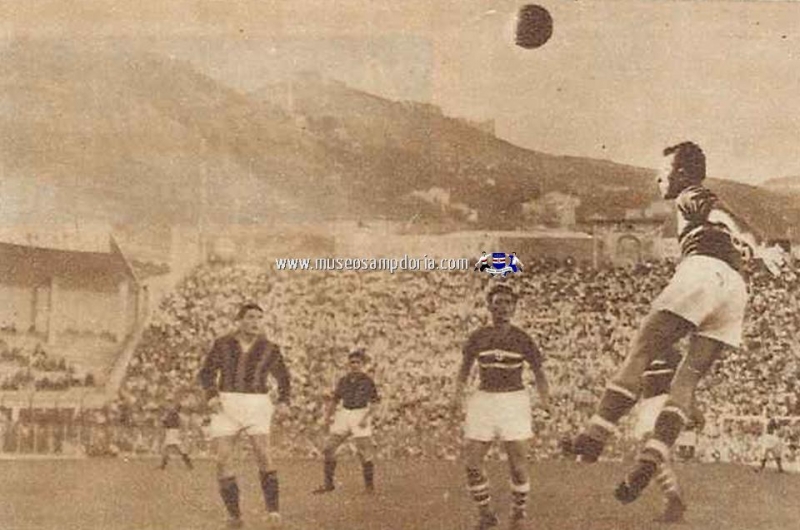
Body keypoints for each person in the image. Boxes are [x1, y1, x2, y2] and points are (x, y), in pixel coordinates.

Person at [562, 141, 786, 505]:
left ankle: (594, 435)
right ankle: (652, 456)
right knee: (688, 378)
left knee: (641, 351)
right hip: (736, 290)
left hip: (704, 270)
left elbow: (723, 214)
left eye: (662, 172)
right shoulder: (698, 209)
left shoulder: (690, 194)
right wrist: (756, 250)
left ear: (680, 173)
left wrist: (761, 243)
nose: (657, 178)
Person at [453, 283, 551, 530]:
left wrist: (545, 400)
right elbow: (464, 370)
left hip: (513, 401)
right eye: (498, 302)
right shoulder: (478, 337)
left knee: (517, 466)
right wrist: (456, 396)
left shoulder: (522, 338)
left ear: (514, 307)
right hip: (484, 400)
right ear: (489, 306)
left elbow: (539, 372)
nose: (503, 307)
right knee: (472, 463)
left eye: (508, 303)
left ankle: (519, 515)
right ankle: (485, 514)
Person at [198, 302, 291, 528]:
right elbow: (206, 373)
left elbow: (283, 377)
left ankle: (273, 511)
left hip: (256, 403)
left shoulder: (270, 348)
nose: (255, 322)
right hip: (227, 403)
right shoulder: (222, 344)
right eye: (250, 317)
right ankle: (235, 516)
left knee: (263, 454)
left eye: (259, 318)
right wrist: (211, 396)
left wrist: (284, 401)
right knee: (222, 459)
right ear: (239, 321)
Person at [312, 349, 380, 495]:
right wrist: (327, 418)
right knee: (329, 448)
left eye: (357, 362)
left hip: (360, 413)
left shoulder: (367, 381)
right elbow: (335, 401)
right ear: (348, 364)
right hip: (345, 414)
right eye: (352, 362)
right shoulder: (343, 380)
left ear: (362, 364)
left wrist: (365, 418)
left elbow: (375, 403)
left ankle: (369, 487)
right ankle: (328, 484)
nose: (354, 365)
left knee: (364, 452)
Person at [157, 401, 193, 470]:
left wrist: (163, 422)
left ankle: (188, 464)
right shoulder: (174, 415)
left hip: (173, 432)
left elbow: (166, 423)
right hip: (171, 432)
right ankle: (163, 465)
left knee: (173, 449)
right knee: (167, 449)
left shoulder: (174, 415)